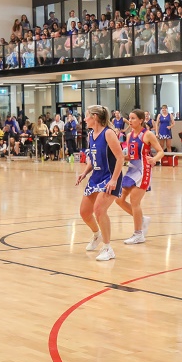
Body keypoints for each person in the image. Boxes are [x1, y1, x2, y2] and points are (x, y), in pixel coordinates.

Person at [74, 105, 125, 262]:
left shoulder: (108, 133)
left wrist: (114, 180)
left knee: (99, 209)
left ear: (95, 116)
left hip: (110, 176)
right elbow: (95, 159)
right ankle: (97, 234)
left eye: (86, 115)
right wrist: (85, 172)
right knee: (84, 212)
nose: (84, 119)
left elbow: (120, 158)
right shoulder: (91, 135)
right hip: (96, 176)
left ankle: (108, 248)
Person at [115, 110, 163, 245]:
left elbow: (161, 151)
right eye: (129, 118)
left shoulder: (147, 134)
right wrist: (120, 157)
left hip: (143, 170)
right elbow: (131, 155)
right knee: (119, 199)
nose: (130, 121)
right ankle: (141, 219)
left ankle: (138, 234)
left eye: (133, 118)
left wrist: (154, 159)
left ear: (141, 120)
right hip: (131, 169)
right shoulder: (129, 135)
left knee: (134, 201)